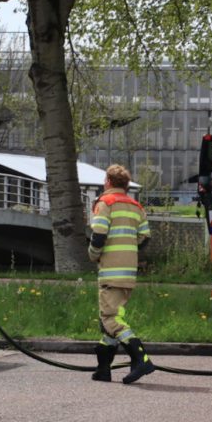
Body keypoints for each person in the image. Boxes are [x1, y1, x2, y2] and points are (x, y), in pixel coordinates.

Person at [88, 164, 154, 384]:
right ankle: (104, 370)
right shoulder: (136, 206)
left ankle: (141, 358)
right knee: (111, 318)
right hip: (128, 271)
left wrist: (93, 254)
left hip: (110, 270)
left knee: (110, 318)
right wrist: (127, 250)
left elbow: (98, 235)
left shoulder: (105, 203)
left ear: (107, 181)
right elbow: (144, 237)